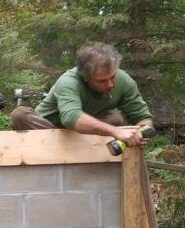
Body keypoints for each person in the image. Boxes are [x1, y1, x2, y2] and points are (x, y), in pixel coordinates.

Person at [11, 43, 153, 149]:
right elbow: (72, 118)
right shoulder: (68, 81)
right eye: (102, 81)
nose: (110, 84)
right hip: (47, 131)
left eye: (112, 77)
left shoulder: (123, 80)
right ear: (86, 77)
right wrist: (116, 132)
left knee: (114, 117)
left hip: (86, 136)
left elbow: (142, 116)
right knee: (20, 115)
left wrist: (141, 133)